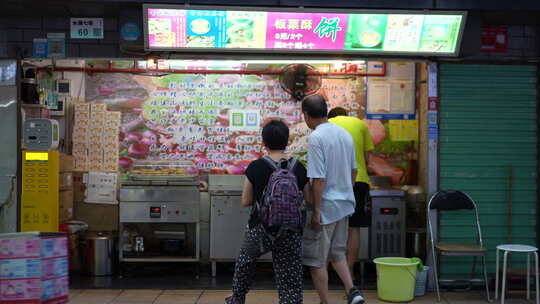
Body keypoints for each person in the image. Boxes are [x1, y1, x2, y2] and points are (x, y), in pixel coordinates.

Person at [225, 120, 310, 304]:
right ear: (287, 140)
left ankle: (237, 298)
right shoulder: (299, 167)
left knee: (246, 261)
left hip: (260, 227)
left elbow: (246, 201)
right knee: (290, 269)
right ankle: (291, 300)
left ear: (264, 142)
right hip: (291, 229)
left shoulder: (256, 167)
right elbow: (308, 199)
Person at [301, 95, 365, 304]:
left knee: (317, 261)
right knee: (337, 253)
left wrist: (317, 211)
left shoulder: (317, 137)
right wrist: (345, 191)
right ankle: (353, 291)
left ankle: (325, 302)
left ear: (307, 115)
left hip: (327, 205)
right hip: (345, 203)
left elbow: (318, 178)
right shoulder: (344, 134)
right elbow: (354, 171)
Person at [328, 107, 374, 275]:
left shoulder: (327, 124)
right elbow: (368, 159)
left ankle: (329, 269)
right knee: (353, 228)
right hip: (359, 180)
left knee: (330, 225)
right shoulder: (360, 124)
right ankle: (349, 270)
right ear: (346, 115)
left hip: (333, 182)